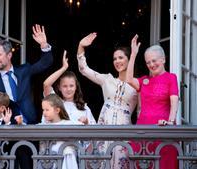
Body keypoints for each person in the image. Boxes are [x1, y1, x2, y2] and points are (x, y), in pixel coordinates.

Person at [0, 24, 53, 169]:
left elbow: (46, 63)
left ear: (9, 55)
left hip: (29, 130)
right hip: (4, 136)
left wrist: (44, 44)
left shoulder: (24, 70)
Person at [77, 33, 138, 169]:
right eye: (115, 58)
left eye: (121, 57)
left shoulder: (137, 85)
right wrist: (81, 46)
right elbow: (84, 69)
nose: (117, 61)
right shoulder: (107, 79)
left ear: (129, 59)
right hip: (103, 132)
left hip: (125, 134)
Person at [126, 35, 179, 169]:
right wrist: (133, 54)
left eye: (154, 61)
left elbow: (174, 102)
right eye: (148, 62)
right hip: (142, 131)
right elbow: (128, 79)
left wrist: (170, 123)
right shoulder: (144, 80)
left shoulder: (171, 78)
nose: (151, 65)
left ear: (163, 59)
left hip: (163, 130)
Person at [42, 50, 96, 125]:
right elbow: (46, 84)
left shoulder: (85, 108)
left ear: (76, 87)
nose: (68, 89)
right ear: (59, 87)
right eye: (64, 86)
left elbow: (94, 131)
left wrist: (86, 123)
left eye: (71, 86)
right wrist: (64, 68)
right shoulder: (54, 101)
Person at [39, 93, 81, 169]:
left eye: (47, 110)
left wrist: (85, 121)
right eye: (43, 110)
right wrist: (20, 123)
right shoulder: (44, 125)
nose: (44, 113)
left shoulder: (68, 123)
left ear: (57, 110)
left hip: (65, 161)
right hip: (48, 162)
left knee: (68, 150)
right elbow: (32, 130)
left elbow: (82, 127)